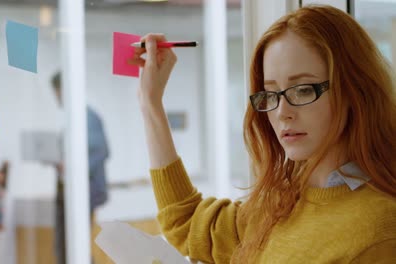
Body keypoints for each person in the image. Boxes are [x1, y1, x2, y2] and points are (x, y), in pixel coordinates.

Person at [128, 5, 396, 264]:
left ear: (353, 91)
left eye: (302, 89)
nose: (282, 112)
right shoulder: (279, 205)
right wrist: (150, 103)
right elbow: (186, 223)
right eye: (270, 94)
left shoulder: (380, 231)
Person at [51, 72, 110, 264]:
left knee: (76, 246)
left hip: (83, 193)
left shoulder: (87, 118)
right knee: (65, 246)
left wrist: (70, 167)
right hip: (68, 192)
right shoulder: (72, 120)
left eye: (57, 92)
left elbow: (101, 152)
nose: (57, 98)